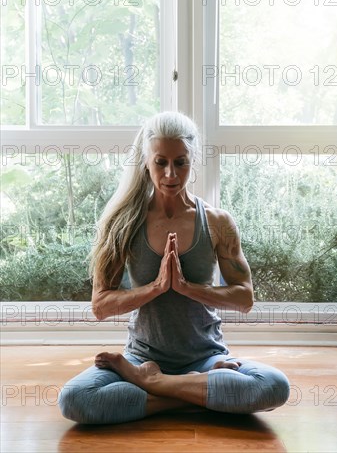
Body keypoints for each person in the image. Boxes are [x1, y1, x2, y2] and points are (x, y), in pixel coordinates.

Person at [58, 111, 290, 424]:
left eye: (180, 162)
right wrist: (154, 288)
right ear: (145, 161)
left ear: (192, 159)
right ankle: (195, 394)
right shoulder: (123, 223)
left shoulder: (218, 222)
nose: (170, 174)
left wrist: (188, 288)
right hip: (141, 356)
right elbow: (100, 306)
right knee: (75, 399)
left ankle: (153, 384)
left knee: (274, 387)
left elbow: (244, 298)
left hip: (208, 357)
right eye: (160, 162)